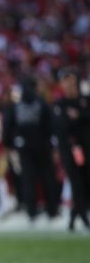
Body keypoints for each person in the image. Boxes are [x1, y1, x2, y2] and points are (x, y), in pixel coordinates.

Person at [2, 77, 60, 222]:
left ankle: (31, 211)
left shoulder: (16, 106)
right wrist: (53, 145)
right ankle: (52, 210)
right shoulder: (42, 104)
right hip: (43, 146)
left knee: (28, 179)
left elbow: (8, 128)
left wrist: (9, 145)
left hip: (24, 148)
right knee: (48, 178)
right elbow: (51, 126)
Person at [53, 70, 90, 231]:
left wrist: (79, 115)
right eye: (66, 83)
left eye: (72, 83)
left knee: (85, 182)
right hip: (69, 149)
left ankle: (75, 216)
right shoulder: (60, 104)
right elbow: (61, 126)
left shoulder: (85, 100)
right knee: (75, 183)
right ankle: (82, 216)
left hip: (86, 147)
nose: (69, 87)